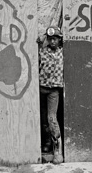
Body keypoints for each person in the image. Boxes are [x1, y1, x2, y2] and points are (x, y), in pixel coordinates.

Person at [38, 25, 64, 164]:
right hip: (42, 88)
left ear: (60, 40)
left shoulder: (62, 52)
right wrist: (44, 37)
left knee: (51, 118)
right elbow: (38, 40)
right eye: (50, 39)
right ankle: (46, 144)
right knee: (42, 120)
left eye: (55, 39)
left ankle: (57, 150)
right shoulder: (42, 51)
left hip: (54, 90)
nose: (53, 42)